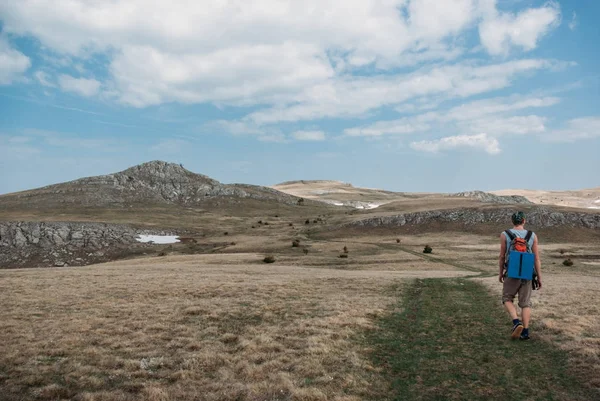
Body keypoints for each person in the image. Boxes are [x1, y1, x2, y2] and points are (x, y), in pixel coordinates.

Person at [498, 211, 542, 340]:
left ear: (512, 221)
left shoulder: (505, 234)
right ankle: (526, 332)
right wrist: (539, 277)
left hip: (512, 271)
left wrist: (501, 272)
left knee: (507, 298)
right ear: (524, 221)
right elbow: (536, 258)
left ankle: (516, 322)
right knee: (525, 303)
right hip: (527, 273)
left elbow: (502, 256)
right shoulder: (532, 235)